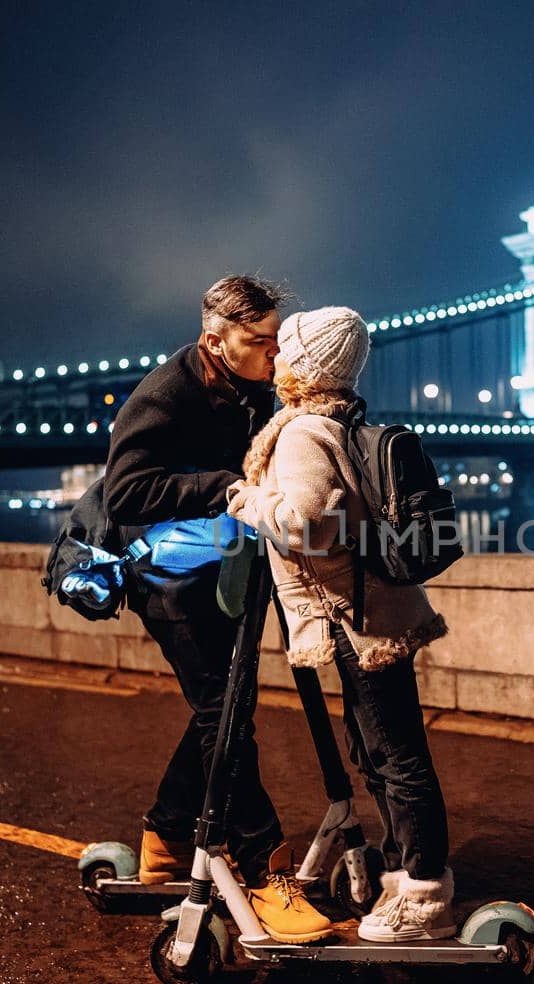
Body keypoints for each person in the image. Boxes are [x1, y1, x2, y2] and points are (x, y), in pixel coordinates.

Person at [102, 274, 332, 944]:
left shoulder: (254, 388)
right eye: (258, 341)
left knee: (226, 710)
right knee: (224, 713)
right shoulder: (164, 392)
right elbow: (126, 492)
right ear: (215, 339)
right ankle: (263, 869)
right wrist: (224, 485)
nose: (271, 354)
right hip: (167, 579)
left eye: (274, 340)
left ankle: (167, 836)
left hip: (224, 572)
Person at [225, 306, 455, 942]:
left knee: (395, 755)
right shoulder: (339, 422)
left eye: (285, 350)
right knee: (380, 753)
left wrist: (246, 501)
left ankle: (426, 896)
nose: (274, 360)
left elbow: (307, 525)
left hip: (360, 620)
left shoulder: (303, 434)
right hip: (371, 610)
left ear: (305, 365)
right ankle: (405, 876)